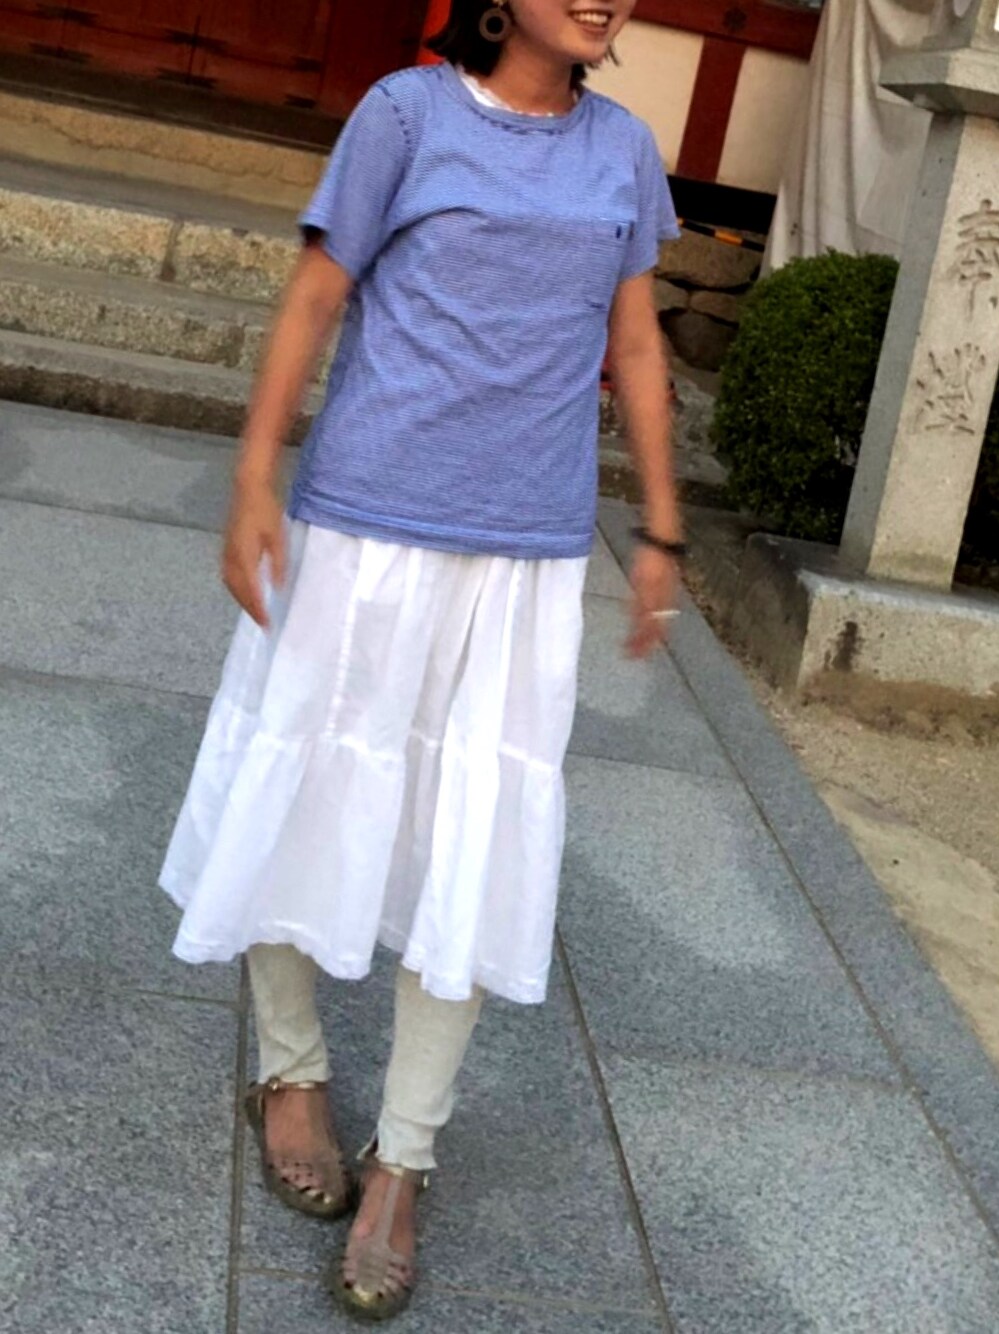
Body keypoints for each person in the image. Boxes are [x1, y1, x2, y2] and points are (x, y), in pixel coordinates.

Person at [159, 0, 684, 1319]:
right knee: (301, 785)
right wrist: (253, 478)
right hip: (365, 525)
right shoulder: (404, 113)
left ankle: (406, 1155)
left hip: (525, 554)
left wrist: (662, 528)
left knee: (474, 835)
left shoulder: (624, 150)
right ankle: (290, 1069)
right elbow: (319, 291)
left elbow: (632, 343)